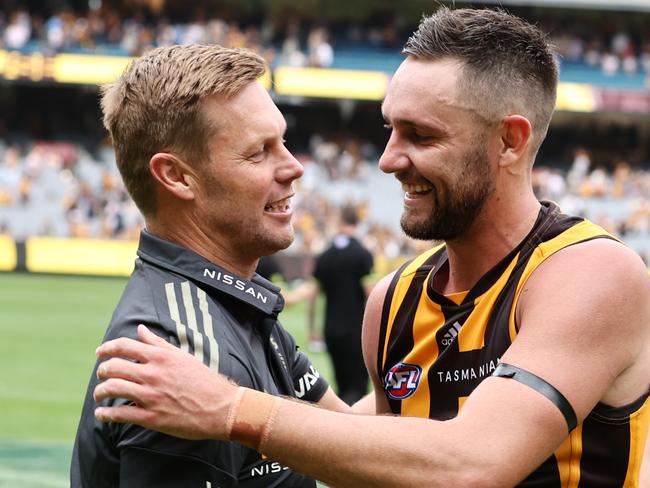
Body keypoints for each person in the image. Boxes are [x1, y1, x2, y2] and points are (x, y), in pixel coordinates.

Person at [91, 8, 650, 487]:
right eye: (389, 129)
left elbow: (475, 465)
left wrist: (231, 408)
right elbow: (368, 453)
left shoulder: (591, 273)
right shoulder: (395, 301)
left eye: (421, 135)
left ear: (509, 140)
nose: (387, 158)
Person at [70, 44, 354, 488]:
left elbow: (353, 440)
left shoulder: (236, 308)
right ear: (178, 177)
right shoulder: (185, 351)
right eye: (259, 152)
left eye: (283, 142)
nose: (295, 167)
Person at [311, 204, 373, 404]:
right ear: (358, 223)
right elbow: (370, 293)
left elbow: (313, 296)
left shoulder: (325, 256)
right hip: (356, 331)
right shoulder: (362, 254)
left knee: (342, 385)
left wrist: (313, 329)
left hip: (331, 329)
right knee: (358, 388)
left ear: (340, 223)